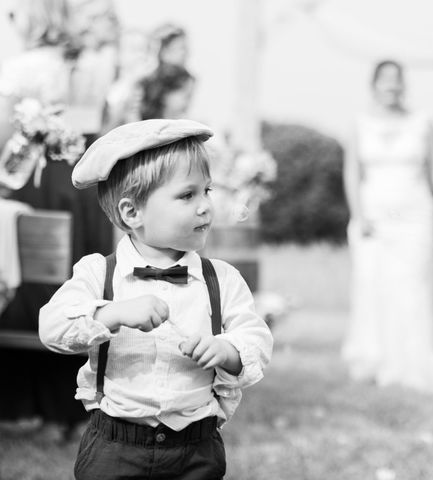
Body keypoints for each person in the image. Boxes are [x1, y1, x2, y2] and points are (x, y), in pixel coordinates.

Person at [39, 119, 273, 479]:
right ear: (132, 212)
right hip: (116, 446)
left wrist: (227, 349)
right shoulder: (98, 273)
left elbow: (255, 338)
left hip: (195, 450)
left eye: (207, 191)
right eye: (187, 195)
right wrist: (110, 313)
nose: (205, 206)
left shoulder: (221, 279)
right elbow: (52, 327)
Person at [0, 0, 109, 438]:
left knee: (34, 289)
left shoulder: (27, 66)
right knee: (79, 285)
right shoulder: (93, 66)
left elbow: (5, 129)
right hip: (80, 182)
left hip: (37, 183)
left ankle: (26, 405)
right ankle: (71, 411)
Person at [341, 59, 433, 391]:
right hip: (373, 220)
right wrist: (359, 215)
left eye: (397, 80)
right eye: (385, 80)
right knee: (372, 285)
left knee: (410, 287)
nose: (392, 86)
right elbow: (352, 172)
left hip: (415, 218)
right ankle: (375, 360)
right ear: (374, 85)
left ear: (404, 84)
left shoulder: (423, 122)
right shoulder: (359, 123)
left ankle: (410, 364)